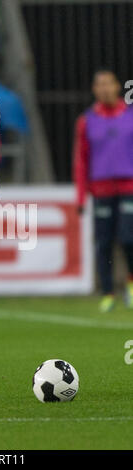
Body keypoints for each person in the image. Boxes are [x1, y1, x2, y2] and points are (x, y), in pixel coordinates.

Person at [73, 69, 133, 313]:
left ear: (118, 87)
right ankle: (108, 292)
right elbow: (81, 160)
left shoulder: (130, 116)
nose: (105, 88)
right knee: (103, 242)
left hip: (129, 187)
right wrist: (80, 195)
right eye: (100, 84)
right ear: (94, 90)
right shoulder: (86, 121)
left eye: (109, 83)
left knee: (129, 238)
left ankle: (130, 281)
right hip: (101, 190)